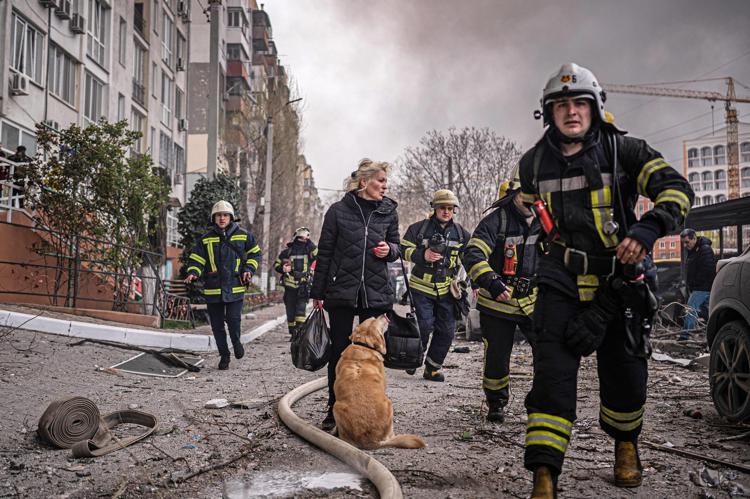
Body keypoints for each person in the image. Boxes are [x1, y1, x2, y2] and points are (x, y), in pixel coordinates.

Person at [517, 63, 693, 497]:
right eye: (561, 105)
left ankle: (626, 445)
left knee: (626, 374)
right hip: (560, 279)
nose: (571, 112)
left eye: (579, 103)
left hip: (619, 282)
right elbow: (533, 212)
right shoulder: (533, 163)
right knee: (551, 378)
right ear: (548, 113)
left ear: (594, 107)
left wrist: (647, 229)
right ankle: (544, 475)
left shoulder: (627, 152)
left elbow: (676, 190)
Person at [310, 158, 400, 431]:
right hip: (341, 290)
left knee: (372, 353)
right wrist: (318, 291)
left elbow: (397, 245)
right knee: (339, 351)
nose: (385, 186)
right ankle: (334, 406)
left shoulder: (388, 212)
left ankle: (370, 404)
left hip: (374, 291)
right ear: (364, 182)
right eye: (380, 181)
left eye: (386, 181)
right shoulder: (338, 211)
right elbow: (324, 252)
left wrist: (390, 251)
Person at [462, 176, 540, 422]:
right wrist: (491, 282)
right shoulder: (494, 221)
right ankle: (496, 404)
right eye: (523, 194)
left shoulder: (546, 221)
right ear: (511, 196)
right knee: (497, 356)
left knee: (548, 353)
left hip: (534, 302)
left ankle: (540, 403)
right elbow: (473, 254)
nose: (529, 199)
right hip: (497, 302)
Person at [400, 189, 470, 382]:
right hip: (421, 287)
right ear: (434, 208)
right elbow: (402, 249)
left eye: (450, 208)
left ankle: (432, 368)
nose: (446, 212)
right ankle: (414, 358)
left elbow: (471, 259)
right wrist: (422, 255)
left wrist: (477, 283)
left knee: (447, 330)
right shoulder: (418, 229)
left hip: (448, 290)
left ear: (454, 210)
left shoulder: (462, 235)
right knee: (423, 325)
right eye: (442, 208)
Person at [184, 200, 261, 370]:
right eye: (218, 215)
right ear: (214, 218)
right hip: (213, 289)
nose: (222, 218)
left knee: (234, 320)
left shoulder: (244, 235)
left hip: (235, 287)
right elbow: (197, 259)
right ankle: (224, 356)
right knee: (217, 326)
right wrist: (193, 272)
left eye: (225, 215)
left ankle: (236, 341)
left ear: (231, 217)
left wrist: (248, 269)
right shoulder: (205, 239)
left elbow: (255, 254)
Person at [274, 227, 318, 335]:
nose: (303, 241)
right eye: (301, 238)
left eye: (305, 239)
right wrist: (282, 268)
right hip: (289, 286)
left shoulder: (309, 251)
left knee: (301, 310)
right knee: (290, 311)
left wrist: (310, 242)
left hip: (303, 284)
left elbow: (319, 255)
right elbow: (276, 265)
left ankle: (299, 331)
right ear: (296, 238)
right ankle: (292, 331)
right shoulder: (287, 252)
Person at [679, 228, 715, 341]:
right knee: (708, 312)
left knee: (690, 309)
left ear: (694, 238)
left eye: (687, 242)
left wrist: (695, 283)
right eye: (683, 243)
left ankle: (685, 337)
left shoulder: (704, 250)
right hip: (701, 287)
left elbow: (708, 270)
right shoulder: (694, 250)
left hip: (702, 287)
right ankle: (714, 334)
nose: (685, 245)